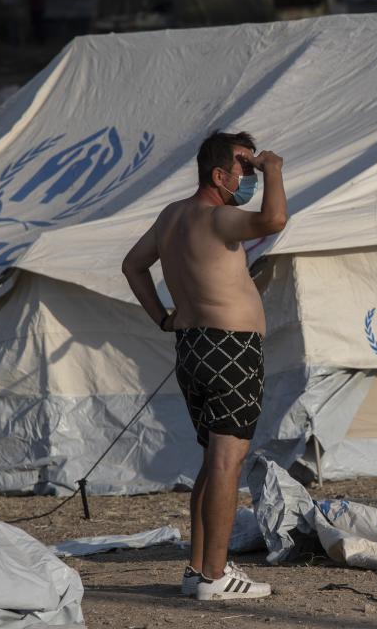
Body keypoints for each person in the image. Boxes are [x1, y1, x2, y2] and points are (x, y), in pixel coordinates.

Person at [121, 130, 287, 601]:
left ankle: (198, 568)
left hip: (192, 346)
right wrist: (274, 169)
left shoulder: (172, 216)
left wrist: (161, 318)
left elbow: (133, 266)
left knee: (212, 463)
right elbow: (274, 217)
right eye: (244, 169)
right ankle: (215, 577)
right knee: (226, 461)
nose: (249, 175)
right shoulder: (219, 218)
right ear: (220, 176)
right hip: (232, 349)